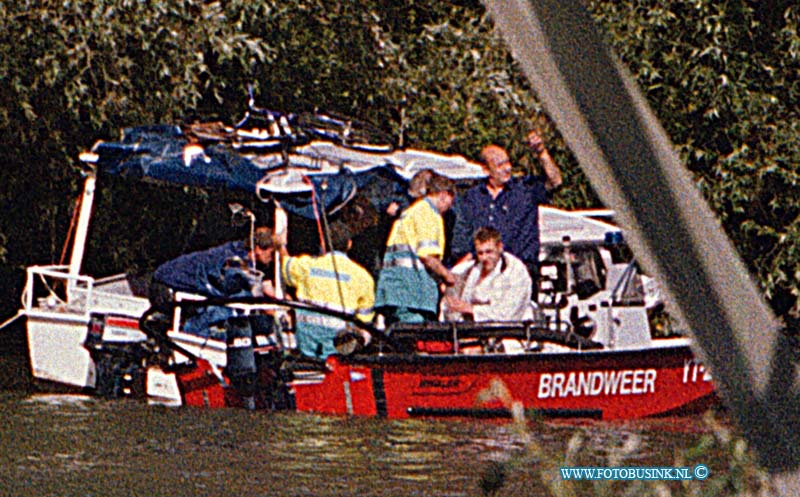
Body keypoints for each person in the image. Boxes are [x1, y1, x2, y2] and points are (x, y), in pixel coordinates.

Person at [451, 130, 562, 299]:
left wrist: (542, 152)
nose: (507, 168)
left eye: (507, 162)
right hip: (485, 272)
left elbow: (555, 181)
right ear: (486, 169)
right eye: (500, 165)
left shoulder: (524, 189)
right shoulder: (472, 196)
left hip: (521, 269)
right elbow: (464, 235)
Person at [151, 226, 278, 337]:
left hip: (166, 282)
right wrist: (276, 316)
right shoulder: (234, 261)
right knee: (234, 301)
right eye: (271, 254)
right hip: (166, 289)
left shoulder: (236, 251)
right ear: (258, 249)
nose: (272, 259)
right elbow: (232, 287)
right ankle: (193, 335)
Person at [278, 223, 375, 360]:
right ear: (349, 244)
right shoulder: (363, 277)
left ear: (323, 243)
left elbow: (285, 264)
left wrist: (281, 245)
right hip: (339, 352)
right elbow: (364, 322)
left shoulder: (307, 266)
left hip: (306, 348)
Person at [375, 172, 457, 324]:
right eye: (450, 203)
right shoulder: (428, 214)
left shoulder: (411, 211)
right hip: (411, 294)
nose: (449, 208)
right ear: (444, 195)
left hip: (394, 291)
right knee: (414, 337)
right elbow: (427, 256)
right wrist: (449, 277)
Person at [443, 227, 533, 322]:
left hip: (512, 330)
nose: (485, 257)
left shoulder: (515, 271)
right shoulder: (468, 271)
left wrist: (471, 309)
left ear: (500, 247)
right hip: (472, 330)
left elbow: (507, 313)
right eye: (480, 253)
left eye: (489, 252)